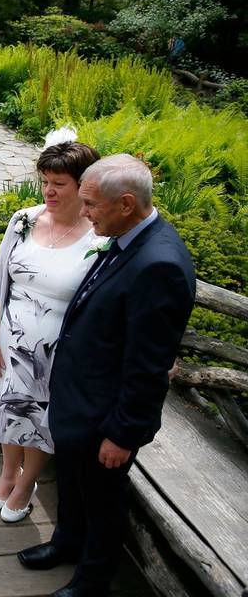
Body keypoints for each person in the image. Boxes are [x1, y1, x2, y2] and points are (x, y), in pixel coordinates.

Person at [17, 154, 196, 596]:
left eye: (92, 204)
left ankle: (93, 579)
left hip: (106, 412)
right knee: (73, 484)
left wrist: (123, 434)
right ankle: (66, 542)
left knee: (102, 497)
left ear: (127, 203)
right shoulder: (127, 237)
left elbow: (148, 365)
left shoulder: (160, 265)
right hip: (80, 398)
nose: (85, 212)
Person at [0, 130, 102, 523]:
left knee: (41, 420)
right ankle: (8, 475)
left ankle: (28, 485)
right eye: (45, 181)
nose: (49, 191)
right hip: (8, 343)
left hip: (57, 353)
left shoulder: (99, 236)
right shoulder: (23, 220)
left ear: (84, 186)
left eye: (59, 184)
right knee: (10, 413)